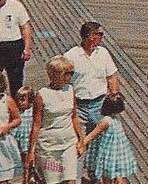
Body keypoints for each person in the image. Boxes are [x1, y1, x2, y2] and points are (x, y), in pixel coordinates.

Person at [62, 21, 120, 178]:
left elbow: (111, 77)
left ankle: (94, 175)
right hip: (78, 106)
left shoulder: (103, 53)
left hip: (99, 104)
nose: (101, 37)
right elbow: (63, 81)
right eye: (99, 34)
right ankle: (77, 177)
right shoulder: (71, 56)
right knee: (77, 142)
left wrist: (114, 97)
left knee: (99, 142)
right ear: (89, 36)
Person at [27, 55, 84, 184]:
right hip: (49, 148)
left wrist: (81, 140)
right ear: (57, 74)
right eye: (68, 73)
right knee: (54, 181)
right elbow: (36, 124)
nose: (70, 76)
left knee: (70, 180)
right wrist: (31, 151)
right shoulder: (42, 95)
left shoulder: (70, 90)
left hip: (69, 144)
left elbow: (74, 116)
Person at [80, 92, 138, 184]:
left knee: (113, 176)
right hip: (111, 153)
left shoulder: (112, 119)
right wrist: (82, 143)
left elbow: (92, 135)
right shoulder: (107, 121)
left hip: (115, 152)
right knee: (110, 175)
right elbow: (93, 134)